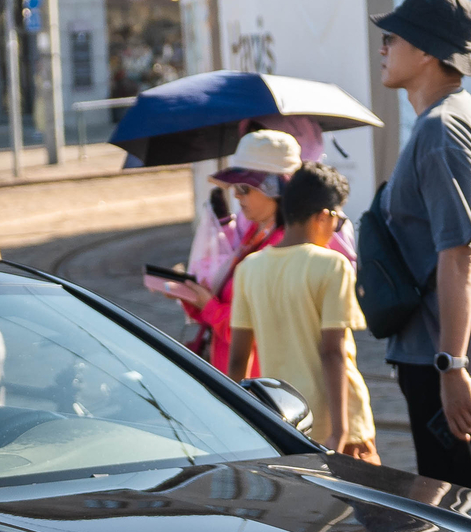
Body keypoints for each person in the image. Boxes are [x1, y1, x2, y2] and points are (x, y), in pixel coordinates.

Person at [372, 0, 471, 491]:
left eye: (392, 37)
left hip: (450, 365)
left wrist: (452, 366)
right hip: (448, 360)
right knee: (469, 524)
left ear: (428, 51)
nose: (383, 48)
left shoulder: (442, 129)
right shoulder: (453, 119)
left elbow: (461, 252)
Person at [228, 162, 377, 462]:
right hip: (338, 423)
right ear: (324, 215)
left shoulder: (248, 269)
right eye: (337, 222)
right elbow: (332, 353)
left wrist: (238, 424)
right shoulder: (332, 265)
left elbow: (238, 360)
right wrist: (341, 431)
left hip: (282, 420)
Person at [158, 130, 301, 374]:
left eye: (245, 188)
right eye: (235, 187)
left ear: (274, 188)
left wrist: (207, 304)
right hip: (236, 375)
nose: (235, 194)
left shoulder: (281, 247)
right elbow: (228, 303)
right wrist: (191, 295)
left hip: (259, 382)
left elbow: (256, 330)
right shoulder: (257, 233)